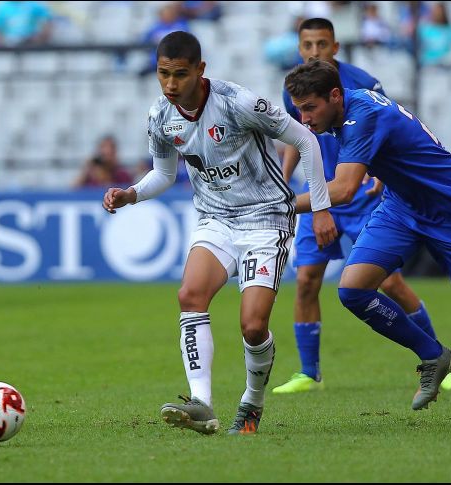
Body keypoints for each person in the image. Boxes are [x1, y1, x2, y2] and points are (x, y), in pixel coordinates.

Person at [103, 31, 336, 435]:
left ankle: (252, 401)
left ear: (200, 70)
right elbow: (163, 173)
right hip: (216, 220)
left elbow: (304, 138)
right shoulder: (161, 116)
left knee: (252, 326)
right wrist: (131, 194)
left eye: (180, 74)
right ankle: (202, 403)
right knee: (189, 295)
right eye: (163, 75)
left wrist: (320, 208)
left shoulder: (238, 103)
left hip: (265, 220)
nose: (171, 84)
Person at [285, 60, 451, 423]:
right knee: (353, 289)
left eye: (310, 108)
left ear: (335, 96)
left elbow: (342, 190)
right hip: (402, 207)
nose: (305, 118)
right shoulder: (352, 108)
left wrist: (278, 203)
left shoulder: (362, 117)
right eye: (299, 110)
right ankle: (432, 353)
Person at [273, 17, 451, 395]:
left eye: (321, 44)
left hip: (356, 196)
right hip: (316, 196)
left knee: (388, 280)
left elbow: (390, 127)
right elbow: (298, 137)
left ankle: (441, 357)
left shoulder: (360, 84)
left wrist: (381, 173)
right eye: (307, 45)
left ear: (336, 47)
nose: (314, 52)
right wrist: (282, 179)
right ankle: (309, 372)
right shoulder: (293, 90)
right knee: (307, 281)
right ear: (299, 47)